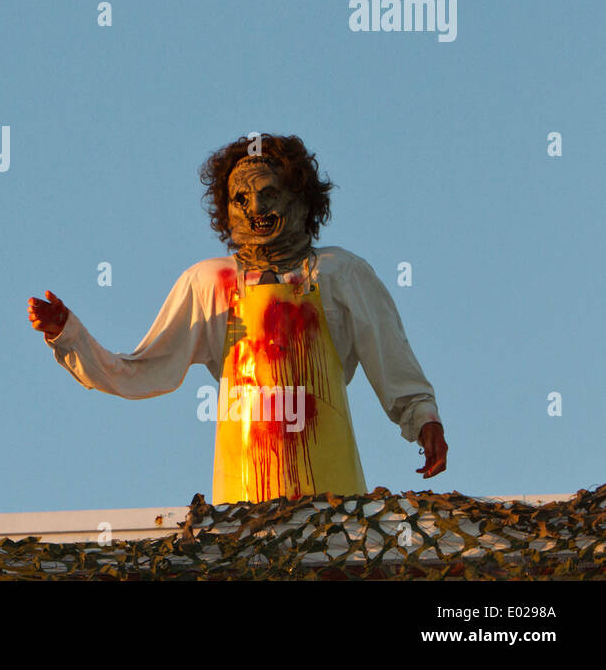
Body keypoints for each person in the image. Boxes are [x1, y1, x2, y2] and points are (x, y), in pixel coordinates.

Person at [28, 133, 448, 504]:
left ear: (301, 198)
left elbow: (392, 359)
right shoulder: (209, 282)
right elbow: (140, 371)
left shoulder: (341, 273)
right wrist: (71, 335)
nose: (254, 208)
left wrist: (423, 419)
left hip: (334, 509)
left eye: (268, 193)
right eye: (240, 199)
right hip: (243, 510)